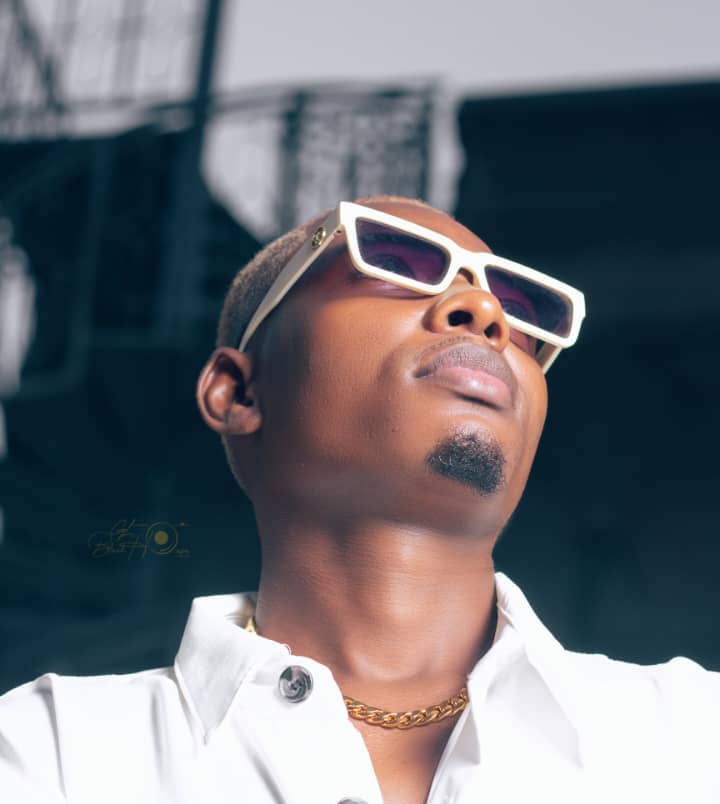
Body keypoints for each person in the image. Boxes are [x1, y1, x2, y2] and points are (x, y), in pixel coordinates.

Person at [0, 195, 717, 804]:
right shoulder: (48, 752)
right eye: (396, 262)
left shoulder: (694, 734)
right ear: (239, 392)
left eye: (520, 309)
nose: (485, 311)